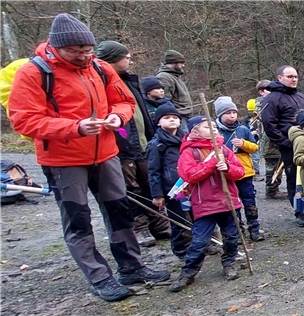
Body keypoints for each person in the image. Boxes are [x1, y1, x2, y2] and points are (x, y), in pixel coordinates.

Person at [7, 13, 169, 302]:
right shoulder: (34, 73)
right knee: (77, 218)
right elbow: (24, 120)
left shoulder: (100, 67)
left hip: (106, 153)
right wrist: (74, 127)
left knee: (120, 210)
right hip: (63, 160)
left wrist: (117, 118)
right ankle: (99, 276)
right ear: (57, 48)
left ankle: (132, 266)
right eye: (76, 52)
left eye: (88, 50)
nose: (83, 57)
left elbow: (124, 101)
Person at [94, 40, 170, 246]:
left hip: (143, 143)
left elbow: (140, 112)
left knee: (151, 184)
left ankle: (160, 224)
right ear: (112, 59)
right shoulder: (100, 82)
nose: (130, 60)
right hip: (121, 147)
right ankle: (140, 228)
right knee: (130, 189)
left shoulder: (128, 81)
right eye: (126, 57)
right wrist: (121, 136)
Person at [169, 116, 244, 292]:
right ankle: (187, 273)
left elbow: (239, 171)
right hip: (205, 205)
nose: (213, 129)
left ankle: (229, 263)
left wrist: (227, 168)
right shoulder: (189, 152)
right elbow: (190, 175)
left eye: (213, 126)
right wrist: (212, 164)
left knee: (232, 237)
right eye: (206, 127)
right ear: (195, 131)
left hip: (228, 201)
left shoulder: (224, 150)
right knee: (199, 242)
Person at [260, 65, 304, 222]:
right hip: (289, 146)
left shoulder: (301, 97)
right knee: (295, 179)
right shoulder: (271, 99)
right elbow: (269, 124)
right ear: (280, 78)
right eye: (290, 76)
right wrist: (284, 142)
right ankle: (300, 212)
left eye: (295, 76)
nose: (294, 79)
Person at [146, 102, 193, 259]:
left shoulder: (186, 140)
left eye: (175, 117)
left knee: (196, 216)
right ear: (159, 122)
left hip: (191, 186)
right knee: (179, 220)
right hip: (172, 190)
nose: (172, 120)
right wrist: (157, 194)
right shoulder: (156, 145)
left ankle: (200, 245)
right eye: (167, 118)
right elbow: (153, 171)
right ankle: (182, 250)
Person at [214, 96, 264, 241]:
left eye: (234, 112)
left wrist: (243, 144)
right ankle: (238, 231)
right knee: (232, 204)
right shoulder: (215, 131)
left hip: (245, 172)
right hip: (227, 174)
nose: (232, 115)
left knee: (249, 202)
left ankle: (254, 228)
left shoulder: (242, 129)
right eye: (227, 113)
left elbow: (254, 147)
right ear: (220, 115)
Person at [155, 49, 194, 118]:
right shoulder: (164, 77)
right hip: (178, 116)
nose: (183, 65)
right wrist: (173, 116)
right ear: (174, 62)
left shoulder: (175, 76)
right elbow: (164, 100)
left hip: (185, 115)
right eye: (181, 63)